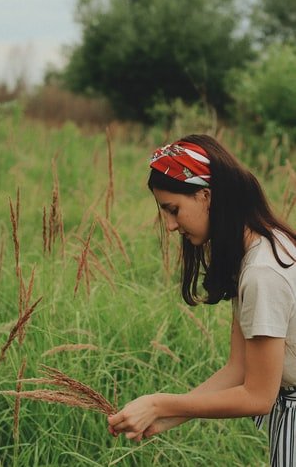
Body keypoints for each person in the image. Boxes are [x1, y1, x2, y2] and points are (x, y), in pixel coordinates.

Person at [107, 134, 296, 467]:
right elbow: (239, 369)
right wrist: (171, 415)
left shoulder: (263, 272)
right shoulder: (258, 251)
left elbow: (257, 397)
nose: (168, 225)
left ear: (205, 196)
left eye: (173, 209)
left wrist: (159, 403)